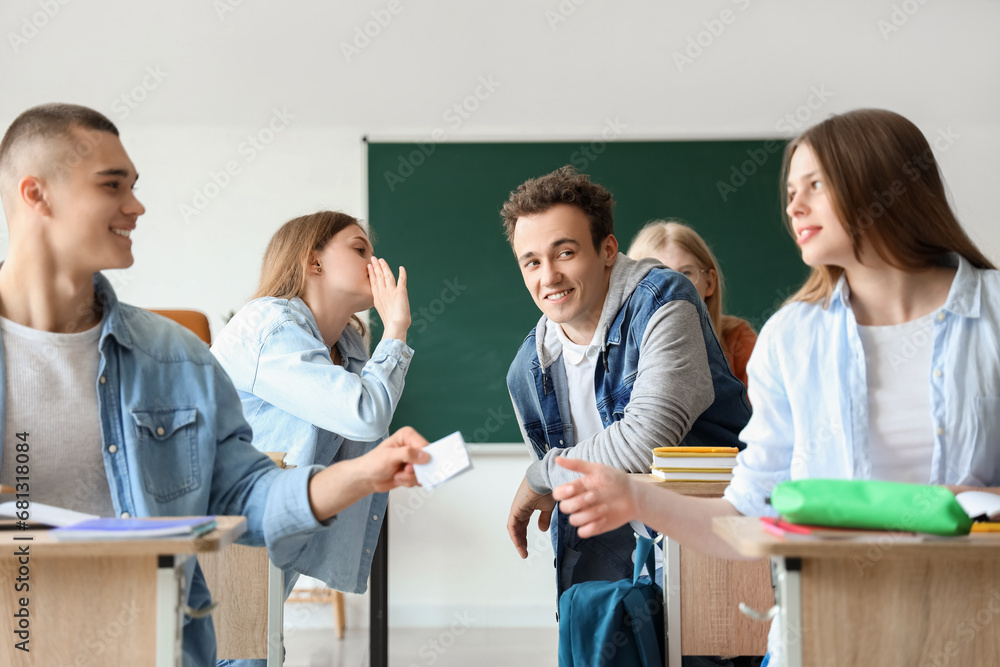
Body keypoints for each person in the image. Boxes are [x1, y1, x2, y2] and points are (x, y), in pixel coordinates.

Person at [551, 109, 1000, 667]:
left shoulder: (993, 314)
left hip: (974, 630)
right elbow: (748, 515)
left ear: (885, 184)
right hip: (826, 635)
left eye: (816, 185)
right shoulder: (793, 336)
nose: (794, 207)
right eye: (790, 190)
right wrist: (636, 497)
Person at [0, 103, 430, 666]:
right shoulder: (268, 325)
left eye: (135, 186)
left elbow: (246, 496)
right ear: (37, 195)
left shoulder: (175, 358)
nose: (137, 206)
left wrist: (362, 473)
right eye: (112, 186)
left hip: (154, 643)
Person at [500, 165, 751, 617]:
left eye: (566, 252)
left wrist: (540, 475)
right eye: (532, 261)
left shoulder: (663, 301)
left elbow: (646, 442)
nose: (549, 276)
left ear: (608, 250)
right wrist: (550, 477)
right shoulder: (527, 369)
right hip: (604, 557)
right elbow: (570, 489)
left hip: (708, 543)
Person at [210, 210, 412, 667]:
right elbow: (365, 414)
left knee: (256, 650)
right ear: (313, 262)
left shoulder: (349, 348)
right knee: (245, 653)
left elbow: (366, 426)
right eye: (359, 248)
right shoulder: (271, 327)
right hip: (223, 528)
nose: (373, 261)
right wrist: (396, 330)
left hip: (271, 529)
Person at [628, 220, 757, 387]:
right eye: (658, 276)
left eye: (685, 273)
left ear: (709, 283)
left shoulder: (737, 339)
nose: (674, 288)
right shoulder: (616, 357)